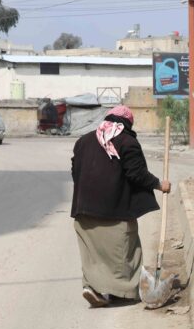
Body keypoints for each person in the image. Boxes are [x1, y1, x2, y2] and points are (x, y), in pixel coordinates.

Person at [71, 105, 170, 307]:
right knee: (126, 251)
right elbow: (137, 174)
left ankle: (92, 287)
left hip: (83, 210)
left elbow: (75, 171)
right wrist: (160, 185)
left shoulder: (84, 140)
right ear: (127, 124)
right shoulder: (127, 141)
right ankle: (122, 292)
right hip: (114, 212)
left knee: (93, 254)